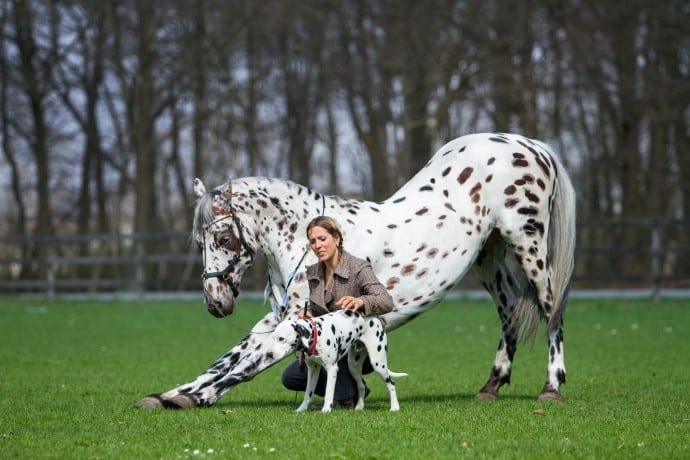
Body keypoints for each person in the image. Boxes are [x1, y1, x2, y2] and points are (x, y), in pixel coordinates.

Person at [281, 215, 394, 409]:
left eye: (322, 239)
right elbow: (321, 316)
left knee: (336, 354)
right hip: (329, 345)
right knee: (292, 376)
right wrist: (307, 317)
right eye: (313, 241)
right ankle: (350, 391)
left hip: (361, 345)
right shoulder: (314, 272)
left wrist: (360, 300)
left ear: (337, 239)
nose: (317, 245)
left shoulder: (358, 267)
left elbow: (386, 301)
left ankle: (343, 399)